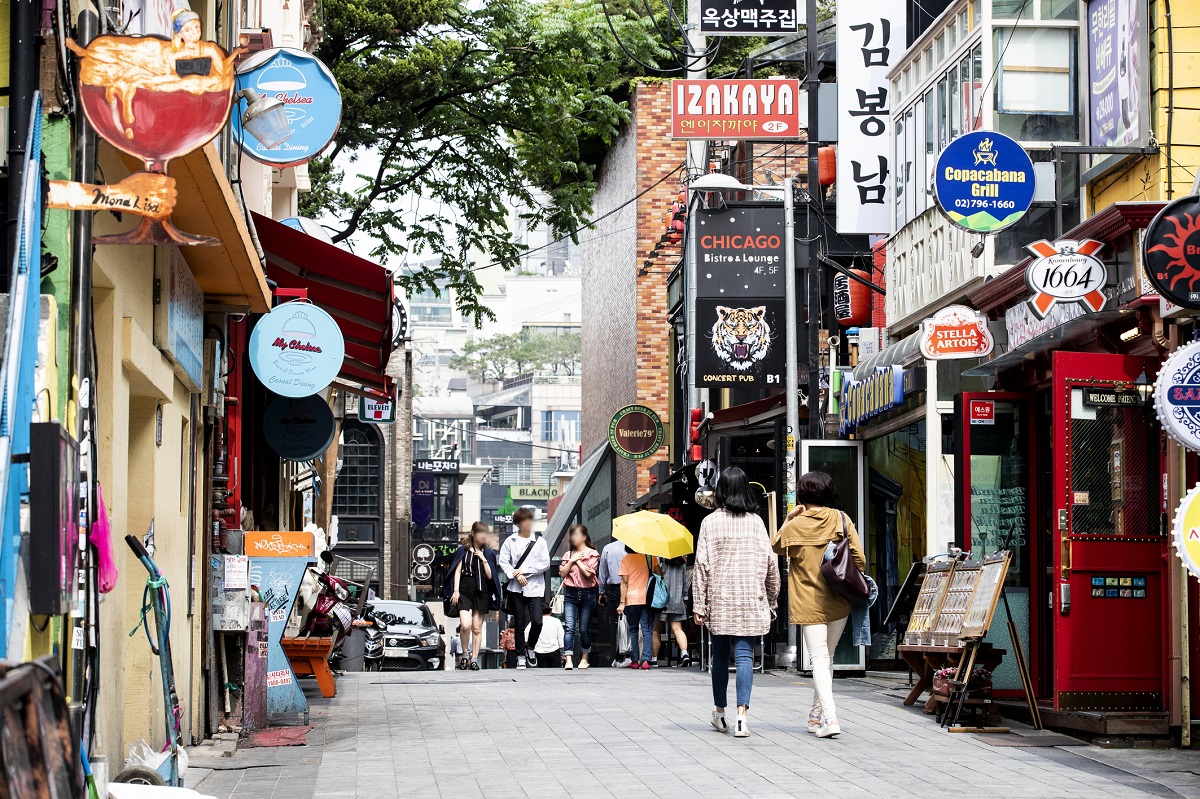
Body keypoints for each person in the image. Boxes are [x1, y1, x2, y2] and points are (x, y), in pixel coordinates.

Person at [772, 470, 866, 739]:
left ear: (801, 495)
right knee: (827, 659)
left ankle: (831, 719)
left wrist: (789, 518)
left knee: (819, 660)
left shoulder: (795, 525)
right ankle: (815, 717)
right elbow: (859, 560)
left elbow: (776, 546)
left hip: (808, 601)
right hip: (838, 597)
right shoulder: (841, 519)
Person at [694, 467, 780, 738]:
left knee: (719, 657)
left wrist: (699, 604)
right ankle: (742, 717)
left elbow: (702, 565)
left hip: (720, 599)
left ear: (720, 491)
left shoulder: (709, 522)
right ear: (745, 489)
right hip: (750, 597)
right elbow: (770, 564)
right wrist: (772, 599)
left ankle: (720, 714)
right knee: (745, 656)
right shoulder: (756, 522)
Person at [443, 521, 501, 670]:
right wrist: (455, 590)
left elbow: (490, 576)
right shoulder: (463, 550)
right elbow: (457, 571)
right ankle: (464, 655)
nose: (484, 535)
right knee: (465, 625)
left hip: (482, 591)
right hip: (464, 590)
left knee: (476, 628)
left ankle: (474, 659)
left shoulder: (488, 553)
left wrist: (483, 559)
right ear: (473, 534)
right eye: (480, 532)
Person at [498, 507, 550, 669]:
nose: (528, 522)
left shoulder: (539, 541)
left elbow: (545, 563)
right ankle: (521, 655)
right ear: (518, 523)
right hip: (515, 588)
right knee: (519, 623)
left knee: (537, 621)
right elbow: (503, 561)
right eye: (524, 520)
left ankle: (531, 647)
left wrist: (525, 572)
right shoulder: (510, 541)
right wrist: (515, 574)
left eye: (529, 519)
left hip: (534, 587)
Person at [559, 524, 600, 669]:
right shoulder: (568, 555)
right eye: (572, 535)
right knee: (569, 627)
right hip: (570, 593)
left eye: (576, 534)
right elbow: (562, 573)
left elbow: (589, 573)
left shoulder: (593, 553)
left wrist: (577, 561)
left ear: (584, 537)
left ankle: (584, 658)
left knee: (584, 629)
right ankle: (568, 659)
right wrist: (571, 560)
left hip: (587, 594)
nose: (573, 538)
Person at [618, 546, 660, 670]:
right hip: (647, 599)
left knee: (633, 630)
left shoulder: (625, 560)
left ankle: (635, 660)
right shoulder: (650, 558)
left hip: (631, 600)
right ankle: (646, 661)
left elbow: (624, 582)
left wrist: (621, 602)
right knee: (647, 630)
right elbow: (659, 574)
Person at [598, 537, 630, 666]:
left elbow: (603, 572)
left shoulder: (608, 548)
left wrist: (601, 591)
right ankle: (629, 655)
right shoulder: (634, 549)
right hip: (632, 587)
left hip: (615, 588)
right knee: (630, 622)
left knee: (616, 622)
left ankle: (617, 656)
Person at [657, 556, 691, 667]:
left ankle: (653, 659)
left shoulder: (661, 562)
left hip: (661, 601)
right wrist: (685, 599)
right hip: (677, 601)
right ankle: (684, 654)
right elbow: (685, 583)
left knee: (656, 630)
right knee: (677, 629)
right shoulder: (682, 564)